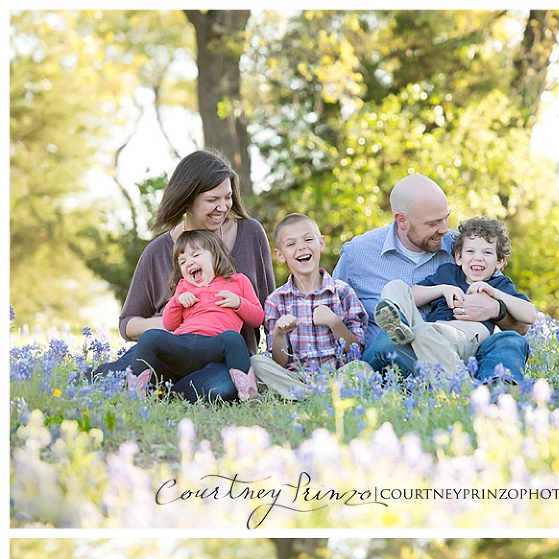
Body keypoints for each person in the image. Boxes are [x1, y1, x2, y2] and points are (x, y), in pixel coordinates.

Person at [93, 149, 275, 402]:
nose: (222, 207)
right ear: (187, 199)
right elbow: (127, 325)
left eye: (228, 197)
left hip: (226, 358)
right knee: (113, 376)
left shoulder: (251, 233)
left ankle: (168, 392)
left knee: (219, 387)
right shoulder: (157, 252)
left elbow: (269, 310)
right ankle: (128, 382)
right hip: (170, 351)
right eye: (212, 200)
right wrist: (180, 320)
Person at [332, 174, 530, 385]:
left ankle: (480, 390)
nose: (444, 229)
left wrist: (496, 310)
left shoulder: (465, 247)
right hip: (395, 356)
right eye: (434, 223)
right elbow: (331, 307)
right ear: (402, 220)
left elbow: (521, 324)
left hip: (455, 352)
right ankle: (462, 392)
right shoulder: (357, 254)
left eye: (446, 217)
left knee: (509, 341)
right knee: (390, 326)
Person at [374, 216, 535, 381]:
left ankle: (461, 387)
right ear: (458, 257)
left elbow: (530, 315)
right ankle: (398, 327)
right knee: (395, 286)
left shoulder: (498, 283)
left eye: (487, 252)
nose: (478, 257)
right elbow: (412, 294)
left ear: (499, 262)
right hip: (428, 335)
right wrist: (442, 289)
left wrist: (495, 293)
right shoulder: (447, 273)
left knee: (424, 332)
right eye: (470, 251)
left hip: (469, 335)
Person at [126, 229, 263, 401]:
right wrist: (177, 301)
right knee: (150, 336)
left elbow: (257, 318)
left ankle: (248, 394)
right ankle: (137, 393)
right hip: (183, 344)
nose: (189, 263)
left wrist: (239, 303)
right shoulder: (184, 286)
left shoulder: (238, 281)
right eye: (182, 262)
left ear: (215, 255)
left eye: (196, 255)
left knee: (232, 338)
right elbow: (169, 325)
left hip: (214, 347)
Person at [250, 213, 371, 399]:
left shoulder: (343, 292)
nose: (301, 247)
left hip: (337, 376)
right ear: (280, 255)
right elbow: (279, 363)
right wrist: (278, 334)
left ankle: (306, 396)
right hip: (296, 378)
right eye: (291, 244)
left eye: (308, 239)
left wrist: (334, 323)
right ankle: (318, 396)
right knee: (256, 363)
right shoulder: (276, 301)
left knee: (362, 369)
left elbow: (356, 351)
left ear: (321, 243)